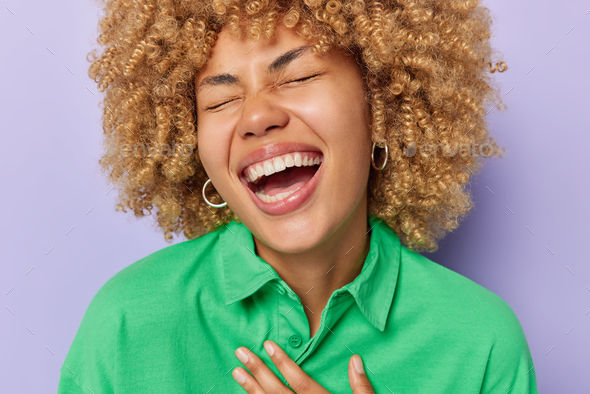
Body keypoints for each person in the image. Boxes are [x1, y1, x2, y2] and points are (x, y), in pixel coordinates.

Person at [58, 0, 538, 393]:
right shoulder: (127, 324)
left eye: (298, 76)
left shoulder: (480, 343)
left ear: (383, 101)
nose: (255, 117)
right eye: (221, 101)